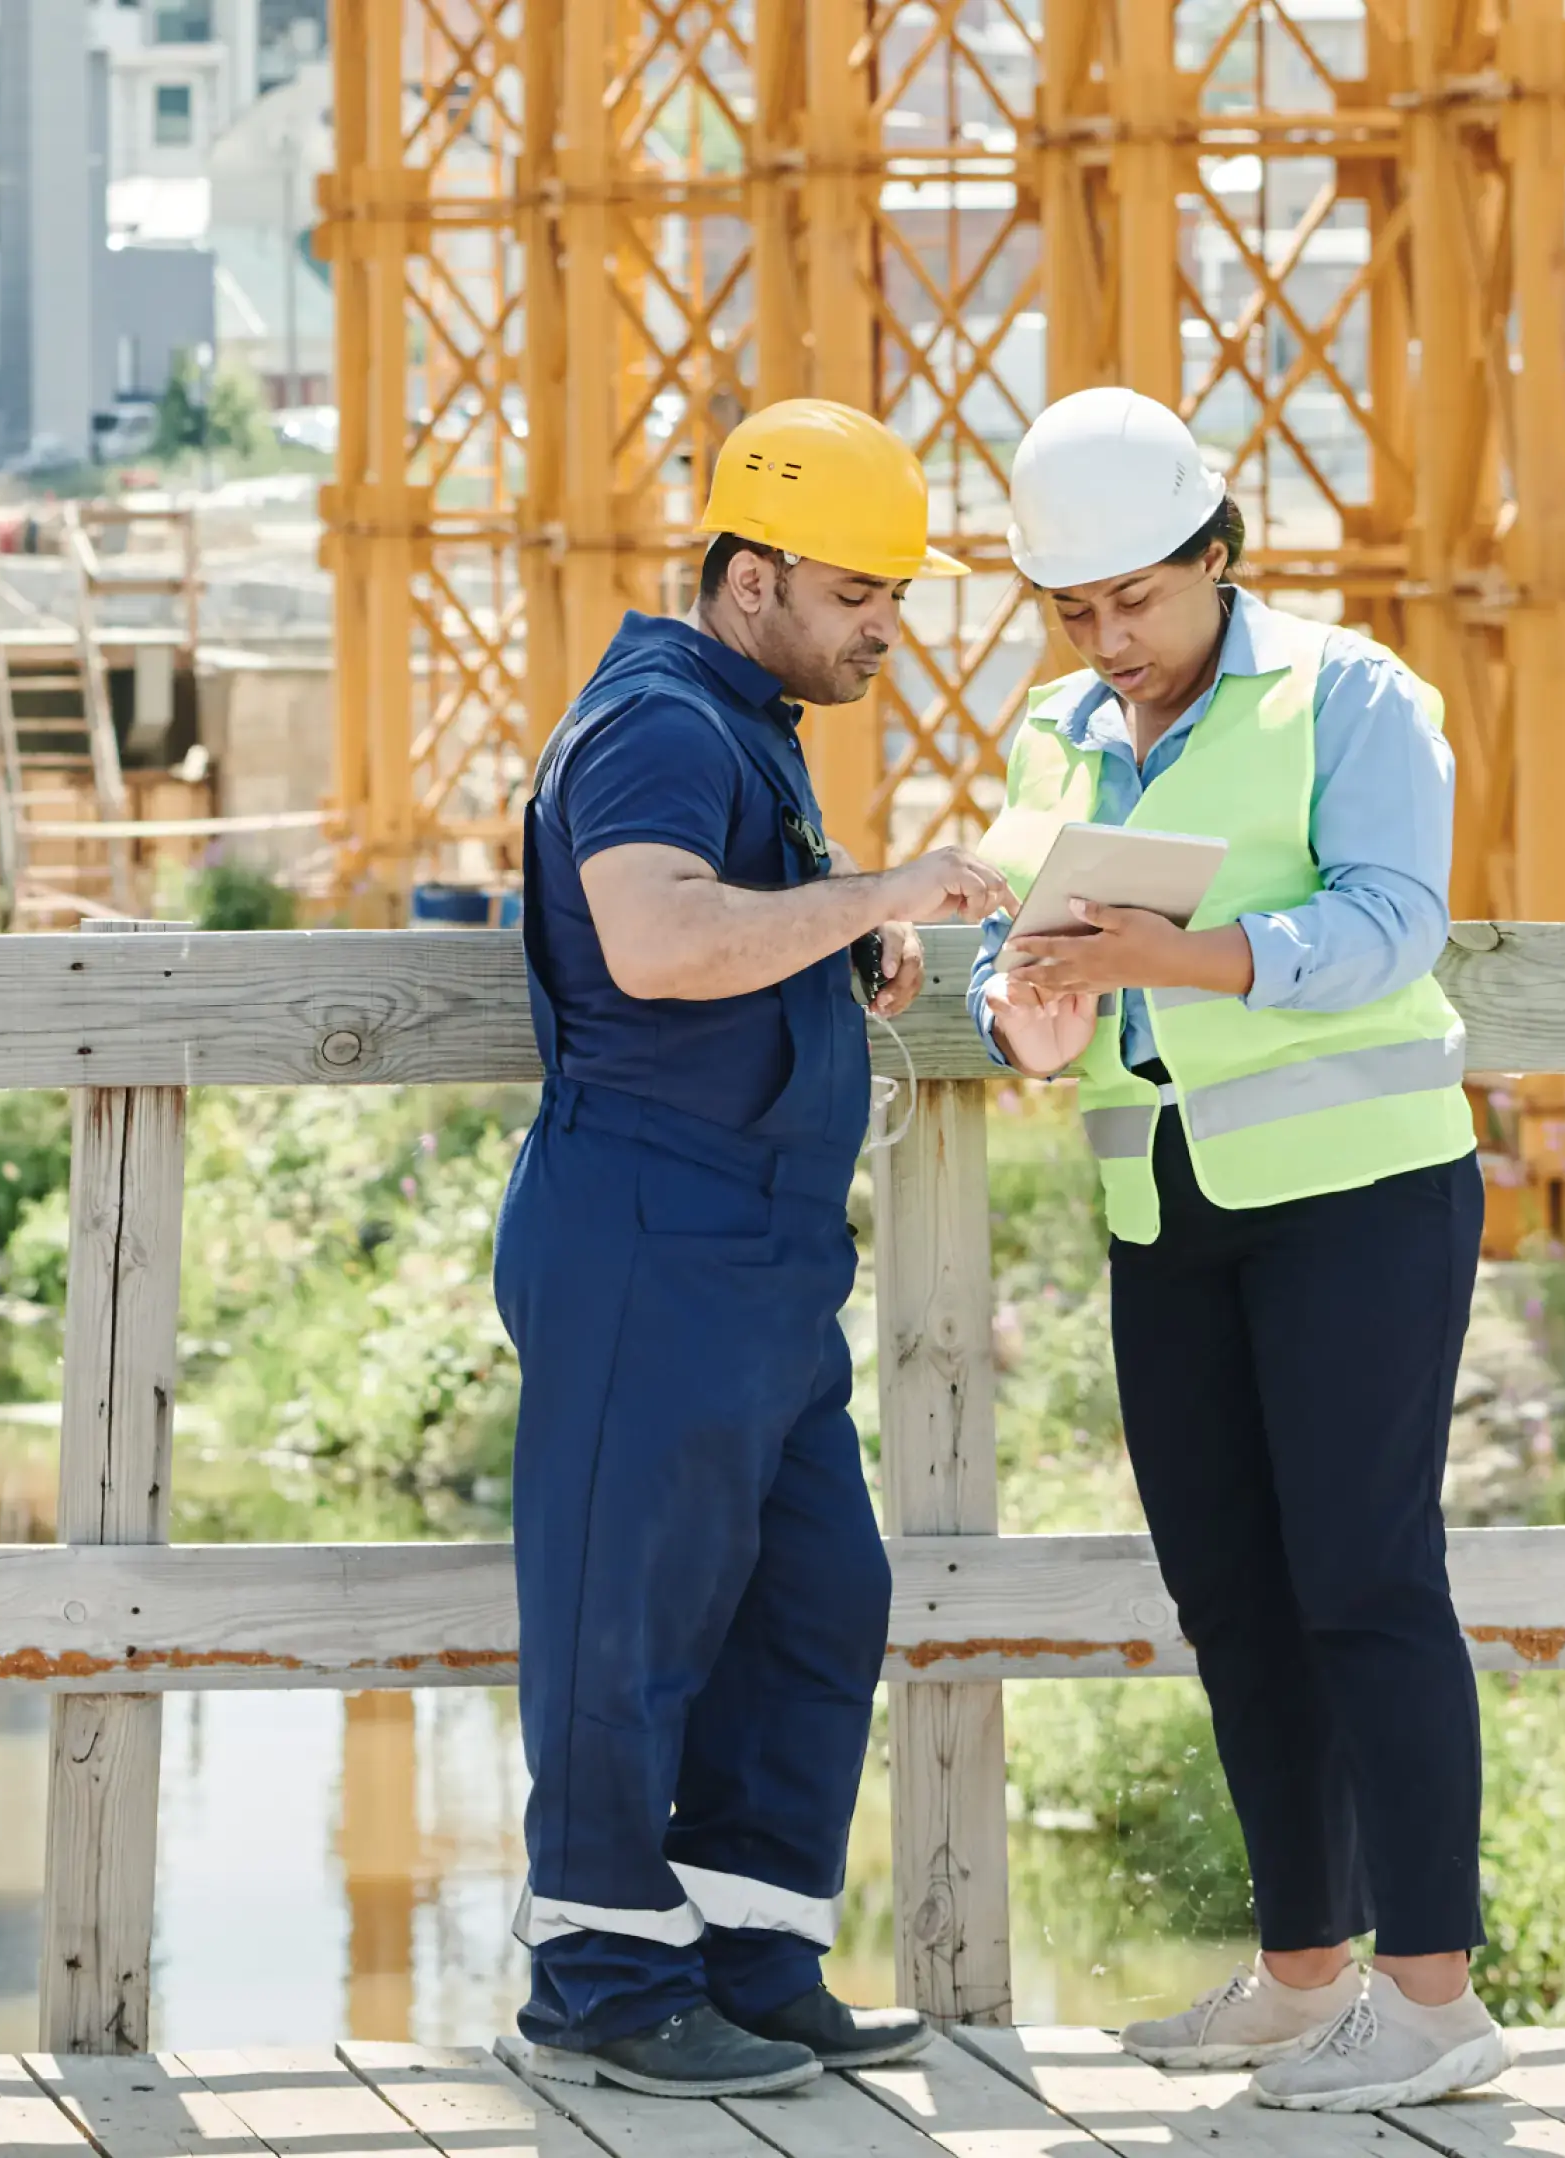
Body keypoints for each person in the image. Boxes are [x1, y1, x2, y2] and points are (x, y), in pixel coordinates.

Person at [967, 386, 1510, 2113]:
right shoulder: (1056, 728)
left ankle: (1433, 2003)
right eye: (1075, 609)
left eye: (1136, 599)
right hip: (1167, 1205)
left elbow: (1388, 925)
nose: (1107, 638)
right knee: (1237, 1602)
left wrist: (1172, 952)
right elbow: (1022, 960)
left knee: (1366, 1580)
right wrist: (1026, 1007)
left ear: (1218, 554)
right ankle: (1303, 1978)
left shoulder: (1351, 693)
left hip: (1361, 1192)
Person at [496, 398, 1011, 2098]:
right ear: (752, 573)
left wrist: (830, 943)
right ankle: (597, 1981)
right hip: (653, 1229)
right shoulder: (657, 722)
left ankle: (745, 1951)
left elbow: (731, 926)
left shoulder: (743, 717)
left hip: (759, 1255)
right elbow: (652, 941)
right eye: (861, 591)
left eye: (897, 593)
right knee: (623, 1614)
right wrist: (875, 896)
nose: (888, 625)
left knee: (814, 1593)